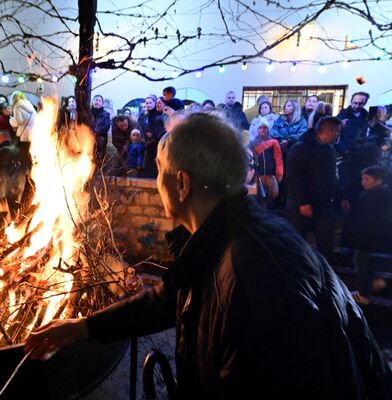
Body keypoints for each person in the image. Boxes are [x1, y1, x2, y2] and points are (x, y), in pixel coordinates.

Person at [25, 111, 391, 399]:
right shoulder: (227, 232)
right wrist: (85, 327)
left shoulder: (253, 281)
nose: (157, 181)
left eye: (159, 170)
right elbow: (171, 298)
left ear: (181, 183)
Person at [286, 117, 349, 262]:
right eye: (337, 132)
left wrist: (342, 197)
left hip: (324, 203)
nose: (338, 135)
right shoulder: (300, 149)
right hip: (301, 205)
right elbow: (293, 178)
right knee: (297, 242)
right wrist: (302, 202)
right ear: (329, 131)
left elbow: (332, 175)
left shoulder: (328, 150)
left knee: (326, 243)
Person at [341, 166, 392, 303]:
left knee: (360, 262)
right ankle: (374, 282)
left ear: (379, 180)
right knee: (363, 261)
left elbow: (367, 218)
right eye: (362, 178)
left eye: (367, 179)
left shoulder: (372, 196)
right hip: (369, 237)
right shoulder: (381, 195)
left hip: (366, 237)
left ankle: (364, 294)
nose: (363, 182)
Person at [337, 92, 372, 205]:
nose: (356, 106)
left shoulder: (367, 116)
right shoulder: (343, 115)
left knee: (358, 185)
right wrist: (344, 150)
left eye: (360, 103)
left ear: (365, 103)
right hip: (345, 155)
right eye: (354, 103)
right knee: (343, 184)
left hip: (361, 156)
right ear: (351, 101)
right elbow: (336, 135)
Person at [0, 131, 26, 216]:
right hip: (17, 188)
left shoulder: (3, 150)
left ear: (3, 138)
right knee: (14, 214)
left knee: (5, 215)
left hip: (5, 190)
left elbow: (0, 171)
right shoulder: (18, 150)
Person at [250, 119, 283, 204]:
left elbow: (278, 158)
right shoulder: (252, 143)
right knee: (255, 198)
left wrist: (279, 172)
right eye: (260, 127)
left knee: (273, 195)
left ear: (268, 129)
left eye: (265, 127)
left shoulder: (273, 142)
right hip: (257, 175)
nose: (262, 129)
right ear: (257, 129)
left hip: (270, 174)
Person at [9, 91, 37, 169]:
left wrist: (11, 120)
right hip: (32, 133)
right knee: (30, 153)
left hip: (23, 135)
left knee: (23, 156)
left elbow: (19, 121)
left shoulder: (17, 106)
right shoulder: (28, 104)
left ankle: (24, 171)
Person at [90, 94, 111, 162]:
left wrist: (96, 131)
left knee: (98, 160)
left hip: (100, 141)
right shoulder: (88, 113)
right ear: (93, 102)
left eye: (100, 101)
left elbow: (106, 126)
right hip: (88, 139)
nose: (97, 102)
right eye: (96, 100)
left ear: (102, 104)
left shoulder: (106, 114)